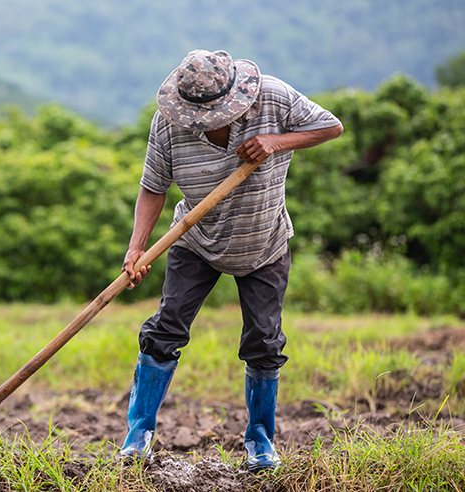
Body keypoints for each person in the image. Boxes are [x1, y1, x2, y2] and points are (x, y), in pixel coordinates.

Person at [119, 49, 343, 471]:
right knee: (165, 329)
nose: (204, 123)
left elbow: (331, 126)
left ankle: (260, 443)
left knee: (263, 341)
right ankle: (138, 436)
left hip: (264, 242)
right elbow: (153, 187)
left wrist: (276, 142)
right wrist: (137, 248)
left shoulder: (273, 98)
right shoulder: (168, 124)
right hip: (195, 238)